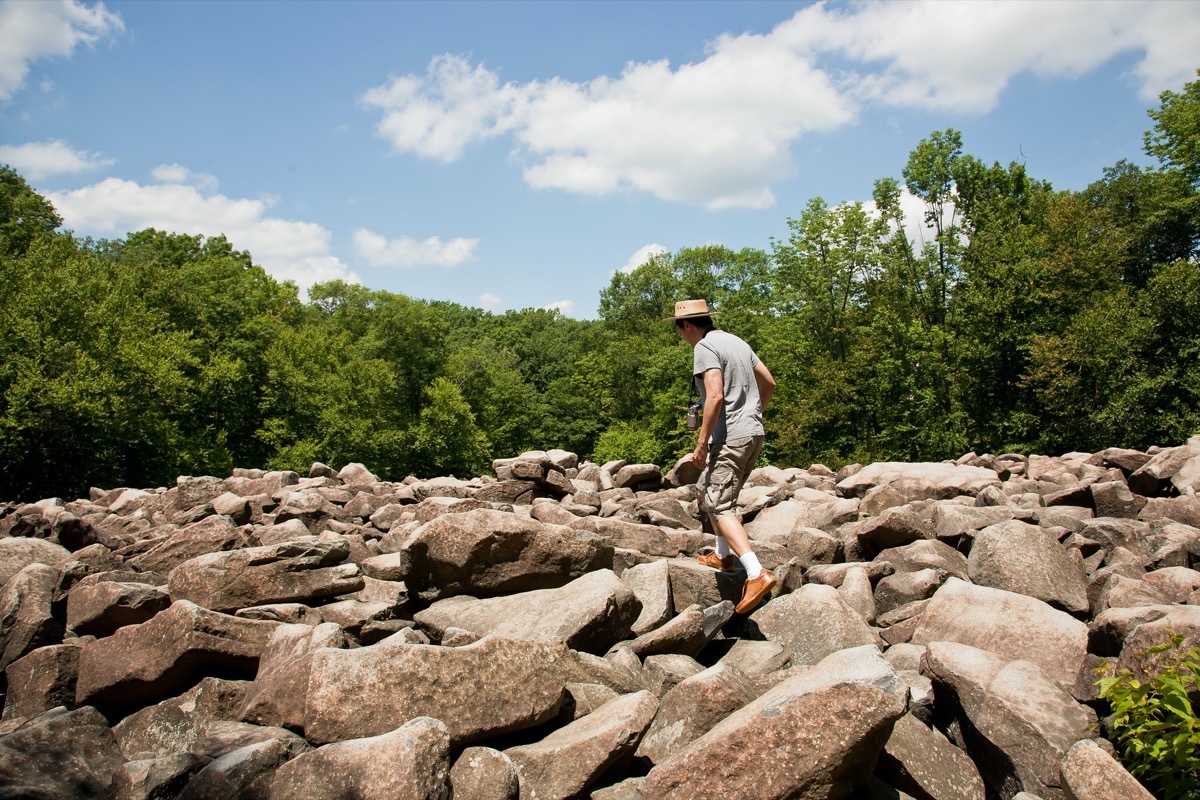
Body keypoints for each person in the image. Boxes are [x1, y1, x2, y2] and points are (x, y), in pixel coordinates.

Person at [664, 299, 777, 614]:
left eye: (680, 331)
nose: (683, 338)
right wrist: (754, 414)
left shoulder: (704, 347)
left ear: (686, 325)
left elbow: (714, 394)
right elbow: (768, 382)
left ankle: (755, 573)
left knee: (719, 504)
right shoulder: (736, 341)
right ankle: (723, 555)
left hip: (730, 438)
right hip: (753, 433)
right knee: (708, 489)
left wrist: (701, 442)